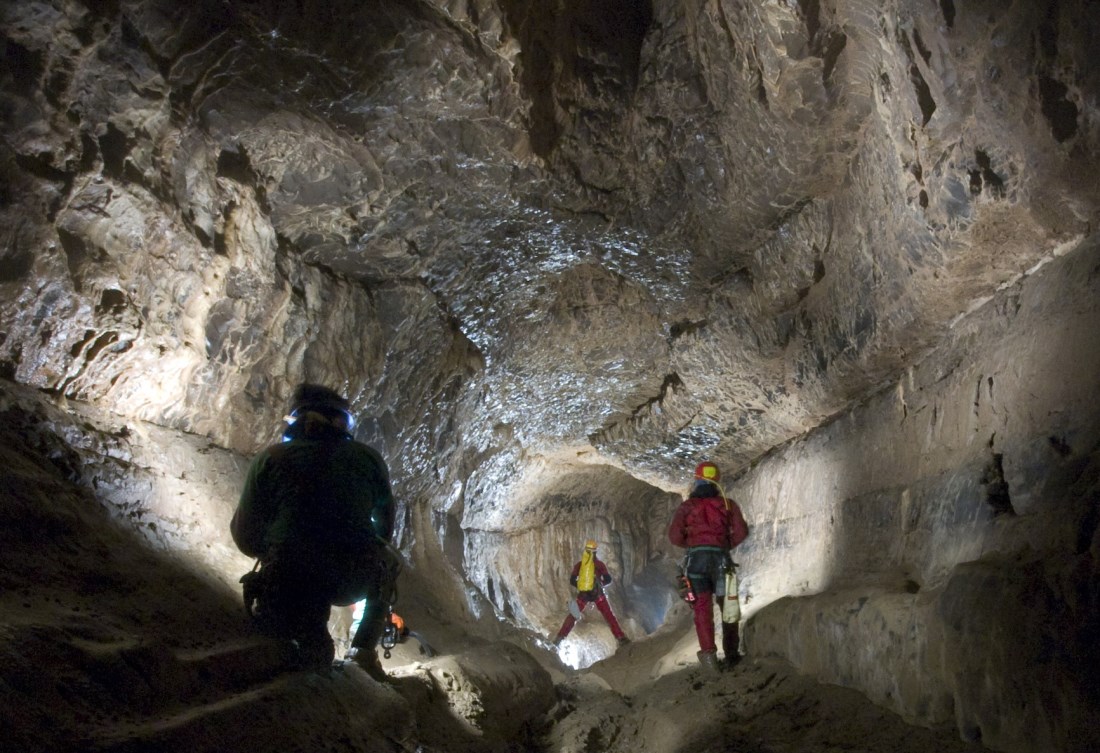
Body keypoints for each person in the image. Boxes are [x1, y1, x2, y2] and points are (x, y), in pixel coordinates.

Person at [231, 383, 396, 680]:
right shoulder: (367, 459)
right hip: (348, 577)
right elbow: (385, 530)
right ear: (341, 422)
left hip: (287, 577)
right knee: (388, 563)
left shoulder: (270, 458)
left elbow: (244, 536)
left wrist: (273, 550)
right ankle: (363, 652)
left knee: (294, 596)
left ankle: (304, 633)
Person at [668, 461, 749, 672]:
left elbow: (674, 536)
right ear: (716, 482)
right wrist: (723, 546)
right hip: (721, 561)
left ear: (696, 480)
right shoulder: (727, 504)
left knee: (702, 609)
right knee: (728, 606)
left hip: (697, 563)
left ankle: (710, 660)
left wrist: (694, 545)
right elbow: (741, 532)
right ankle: (731, 654)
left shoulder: (688, 507)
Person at [551, 539, 630, 647]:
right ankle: (620, 638)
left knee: (573, 615)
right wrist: (600, 584)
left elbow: (572, 580)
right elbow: (608, 580)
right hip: (598, 594)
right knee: (609, 616)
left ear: (586, 551)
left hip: (583, 595)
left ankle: (559, 638)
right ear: (595, 551)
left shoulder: (579, 565)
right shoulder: (599, 564)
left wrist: (582, 586)